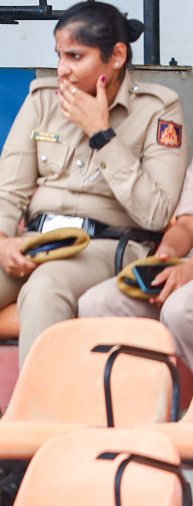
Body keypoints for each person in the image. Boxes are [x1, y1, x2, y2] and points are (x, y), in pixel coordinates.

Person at [0, 2, 185, 362]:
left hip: (109, 244)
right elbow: (7, 190)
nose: (63, 70)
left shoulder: (158, 109)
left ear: (116, 55)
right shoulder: (43, 101)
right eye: (59, 56)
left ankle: (41, 413)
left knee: (45, 288)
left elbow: (157, 213)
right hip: (37, 240)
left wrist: (101, 134)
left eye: (75, 56)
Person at [78, 156, 193, 365]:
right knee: (98, 304)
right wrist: (165, 256)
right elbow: (187, 225)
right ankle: (139, 396)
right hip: (184, 267)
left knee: (180, 309)